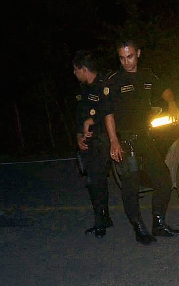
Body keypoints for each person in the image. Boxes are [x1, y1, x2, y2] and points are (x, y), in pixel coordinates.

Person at [104, 38, 179, 244]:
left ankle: (159, 223)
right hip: (125, 141)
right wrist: (114, 141)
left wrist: (172, 103)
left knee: (163, 179)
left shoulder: (147, 75)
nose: (126, 62)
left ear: (138, 53)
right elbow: (108, 114)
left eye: (129, 56)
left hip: (145, 139)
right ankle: (139, 229)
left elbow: (165, 90)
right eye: (122, 58)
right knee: (131, 187)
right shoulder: (113, 80)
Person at [72, 50, 113, 238]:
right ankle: (104, 216)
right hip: (88, 143)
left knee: (95, 181)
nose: (74, 73)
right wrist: (79, 136)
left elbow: (110, 113)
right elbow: (80, 116)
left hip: (103, 141)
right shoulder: (82, 89)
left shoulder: (104, 85)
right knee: (97, 181)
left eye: (75, 69)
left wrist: (93, 122)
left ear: (83, 68)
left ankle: (100, 223)